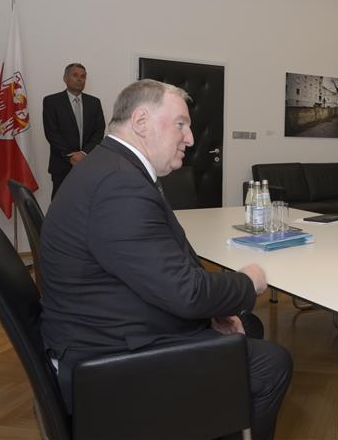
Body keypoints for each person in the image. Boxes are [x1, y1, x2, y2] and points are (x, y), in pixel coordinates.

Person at [40, 80, 292, 439]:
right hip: (106, 362)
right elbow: (186, 292)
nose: (190, 138)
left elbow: (163, 275)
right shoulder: (119, 184)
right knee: (272, 364)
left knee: (246, 327)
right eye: (180, 124)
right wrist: (247, 282)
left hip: (102, 327)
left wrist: (211, 312)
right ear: (141, 122)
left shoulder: (110, 167)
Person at [42, 63, 106, 197]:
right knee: (60, 203)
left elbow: (99, 131)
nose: (79, 79)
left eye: (83, 76)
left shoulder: (94, 103)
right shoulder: (51, 101)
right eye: (75, 75)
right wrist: (70, 156)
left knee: (85, 203)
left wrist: (83, 153)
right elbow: (51, 133)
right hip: (61, 165)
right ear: (65, 78)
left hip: (88, 164)